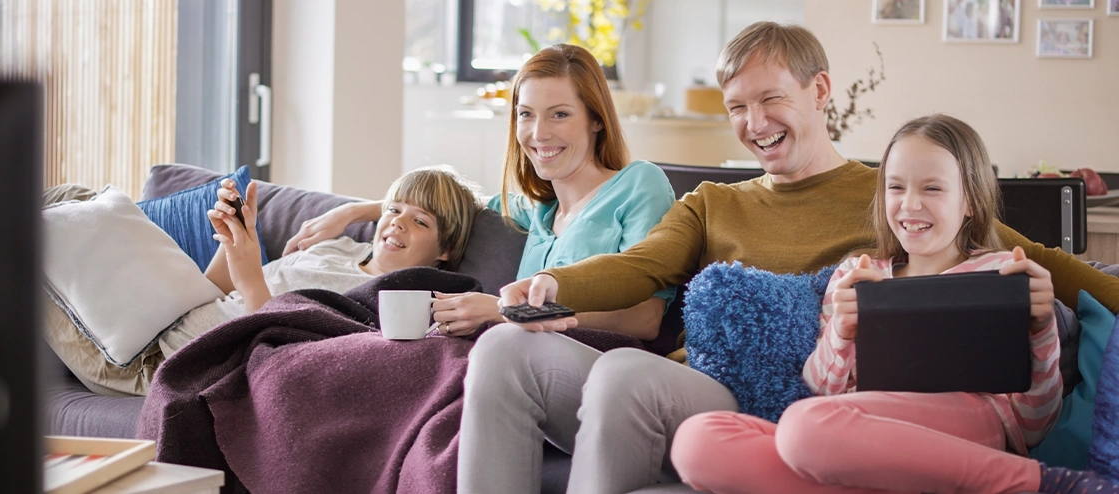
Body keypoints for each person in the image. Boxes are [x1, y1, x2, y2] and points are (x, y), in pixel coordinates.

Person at [467, 22, 1119, 494]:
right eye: (737, 108)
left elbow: (1039, 262)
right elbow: (642, 265)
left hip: (822, 409)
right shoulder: (713, 201)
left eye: (770, 99)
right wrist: (549, 282)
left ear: (819, 90)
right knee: (499, 350)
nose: (754, 123)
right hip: (710, 395)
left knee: (623, 377)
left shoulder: (895, 193)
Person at [669, 113, 1119, 494]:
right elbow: (824, 392)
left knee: (806, 428)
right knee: (697, 441)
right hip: (853, 433)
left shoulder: (1000, 275)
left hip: (970, 425)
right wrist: (841, 333)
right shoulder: (856, 276)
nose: (910, 204)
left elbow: (1034, 425)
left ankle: (1037, 484)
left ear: (971, 202)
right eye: (896, 187)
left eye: (933, 189)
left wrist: (1040, 327)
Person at [285, 43, 678, 341]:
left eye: (560, 114)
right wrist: (355, 211)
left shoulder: (638, 185)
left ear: (595, 120)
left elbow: (643, 320)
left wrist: (506, 312)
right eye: (526, 114)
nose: (539, 134)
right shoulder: (537, 209)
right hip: (514, 359)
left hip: (591, 367)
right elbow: (456, 205)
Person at [155, 165, 482, 354]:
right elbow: (218, 291)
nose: (398, 222)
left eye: (420, 221)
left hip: (181, 359)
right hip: (161, 328)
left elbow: (282, 362)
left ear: (446, 250)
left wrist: (252, 281)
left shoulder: (391, 304)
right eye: (393, 210)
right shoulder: (335, 246)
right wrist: (234, 238)